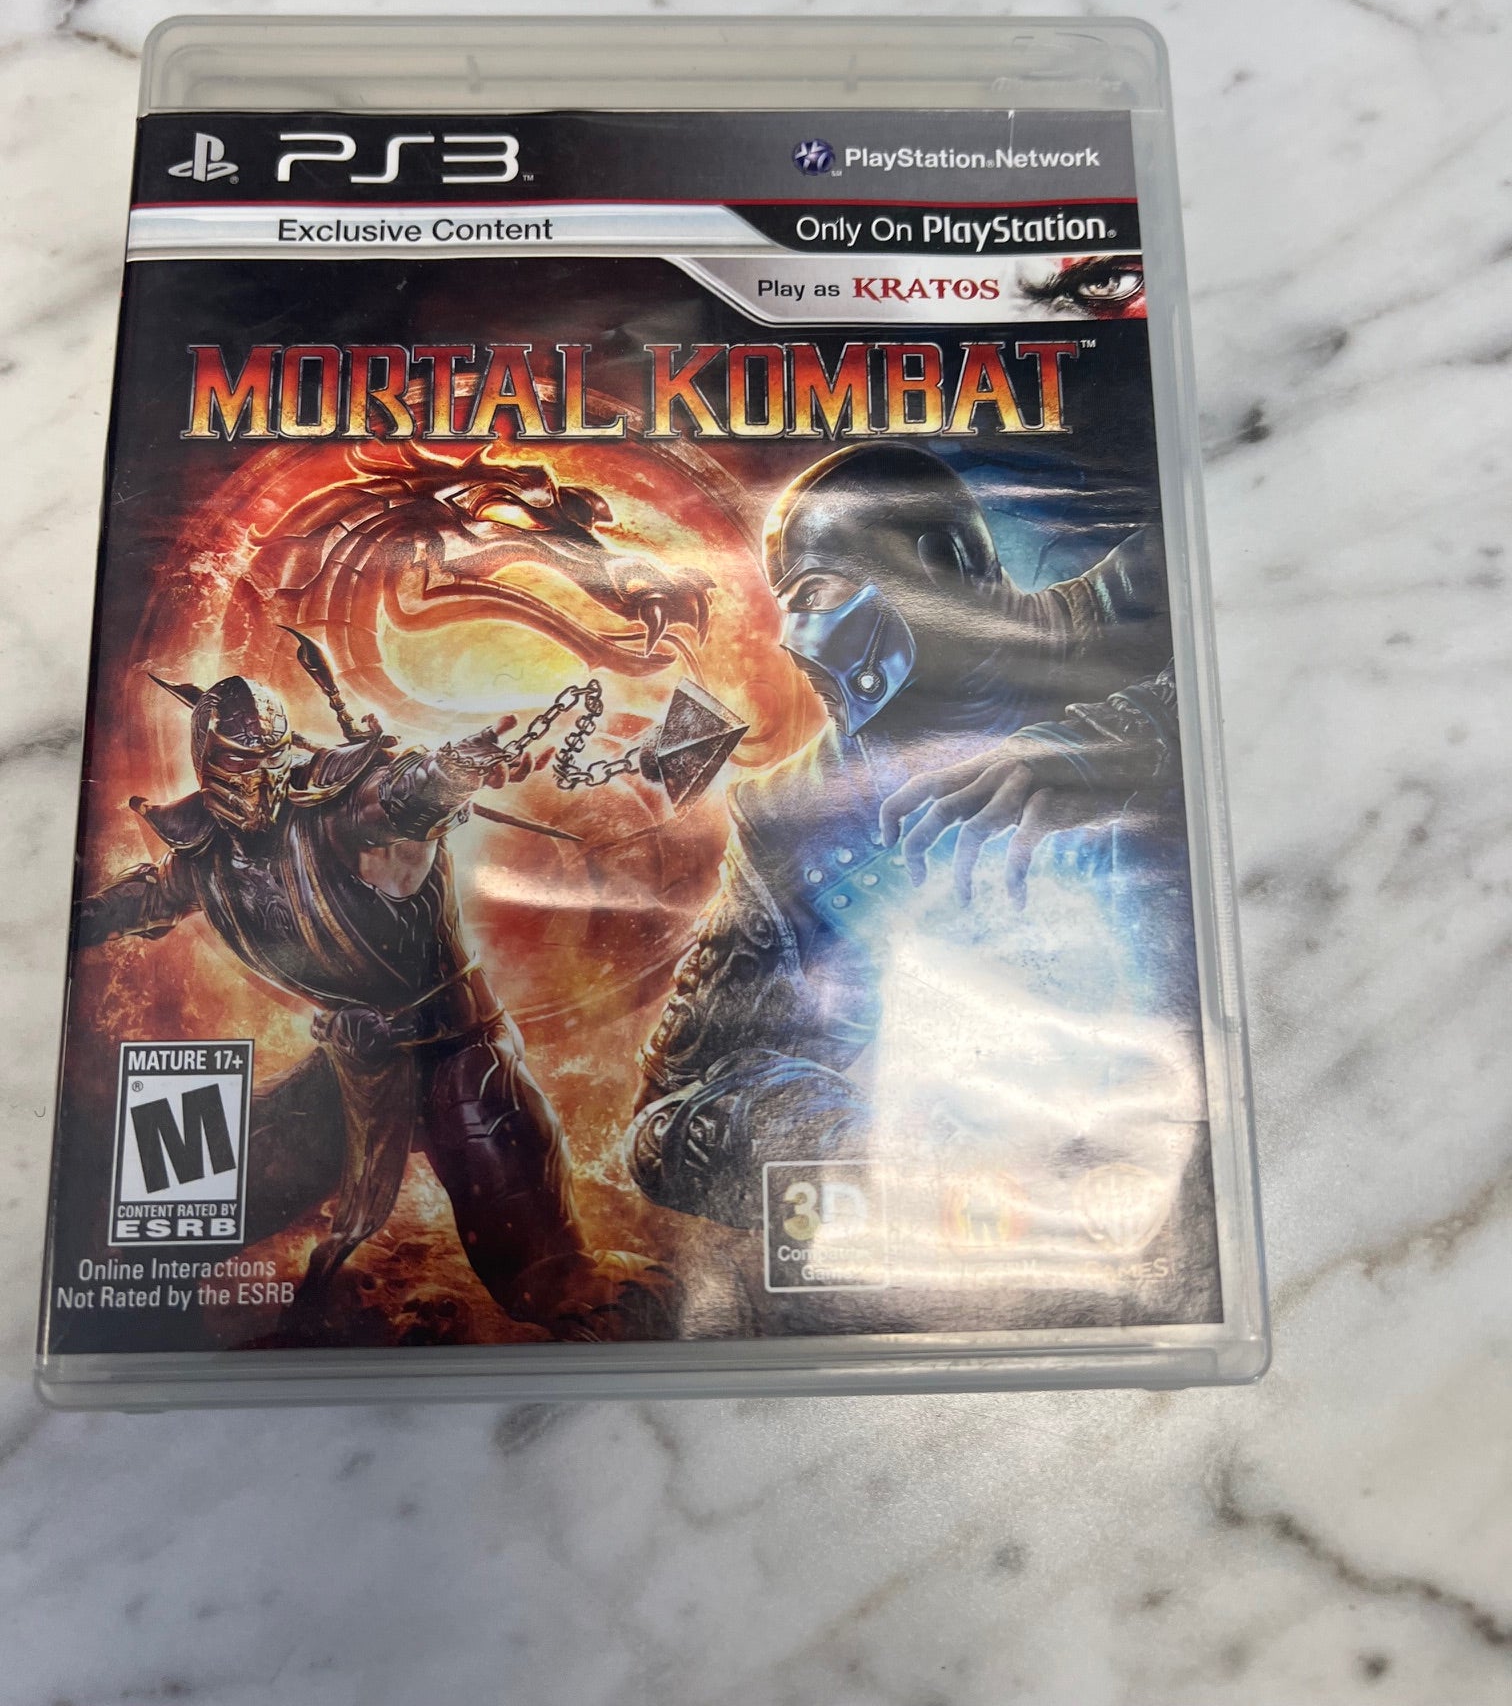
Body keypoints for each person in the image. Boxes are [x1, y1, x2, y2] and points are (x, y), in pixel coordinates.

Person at [627, 441, 1184, 1229]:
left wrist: (1123, 740)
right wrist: (889, 1153)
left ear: (946, 561)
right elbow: (670, 1117)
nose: (795, 638)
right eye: (789, 604)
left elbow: (1288, 635)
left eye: (816, 591)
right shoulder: (795, 814)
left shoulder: (1151, 594)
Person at [78, 648, 671, 1339]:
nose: (259, 777)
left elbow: (398, 799)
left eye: (270, 757)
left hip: (460, 1058)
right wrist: (74, 919)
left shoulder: (335, 812)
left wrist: (451, 772)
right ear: (207, 762)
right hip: (354, 1069)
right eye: (240, 760)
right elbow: (146, 899)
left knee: (554, 1283)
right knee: (187, 1220)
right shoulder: (204, 860)